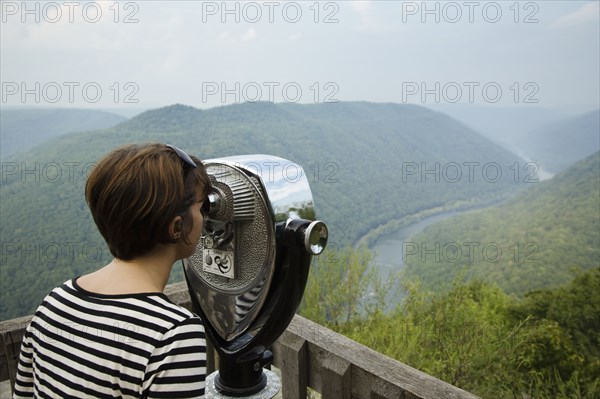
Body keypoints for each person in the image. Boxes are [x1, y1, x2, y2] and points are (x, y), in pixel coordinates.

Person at [13, 143, 211, 398]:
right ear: (176, 227)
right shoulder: (173, 334)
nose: (205, 217)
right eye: (201, 207)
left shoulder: (54, 302)